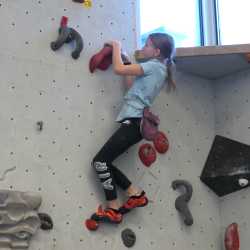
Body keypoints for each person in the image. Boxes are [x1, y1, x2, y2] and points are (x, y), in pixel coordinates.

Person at [90, 33, 176, 224]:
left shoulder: (153, 66)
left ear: (157, 51)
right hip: (135, 124)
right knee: (105, 162)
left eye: (147, 45)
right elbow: (130, 86)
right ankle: (134, 194)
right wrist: (127, 61)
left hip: (134, 122)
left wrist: (116, 45)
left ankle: (113, 208)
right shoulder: (159, 70)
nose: (143, 48)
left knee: (99, 162)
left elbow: (118, 69)